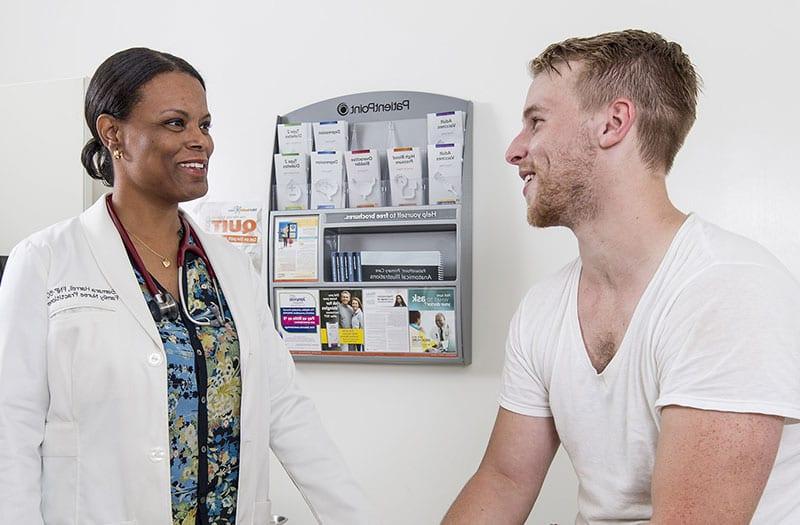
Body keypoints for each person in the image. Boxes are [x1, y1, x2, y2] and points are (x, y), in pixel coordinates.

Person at [0, 48, 370, 525]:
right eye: (176, 123)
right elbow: (12, 428)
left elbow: (286, 409)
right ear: (113, 133)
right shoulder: (46, 260)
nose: (201, 141)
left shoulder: (231, 268)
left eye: (205, 124)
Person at [444, 30, 800, 524]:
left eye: (536, 122)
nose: (514, 149)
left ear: (613, 124)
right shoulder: (544, 307)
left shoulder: (729, 290)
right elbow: (504, 481)